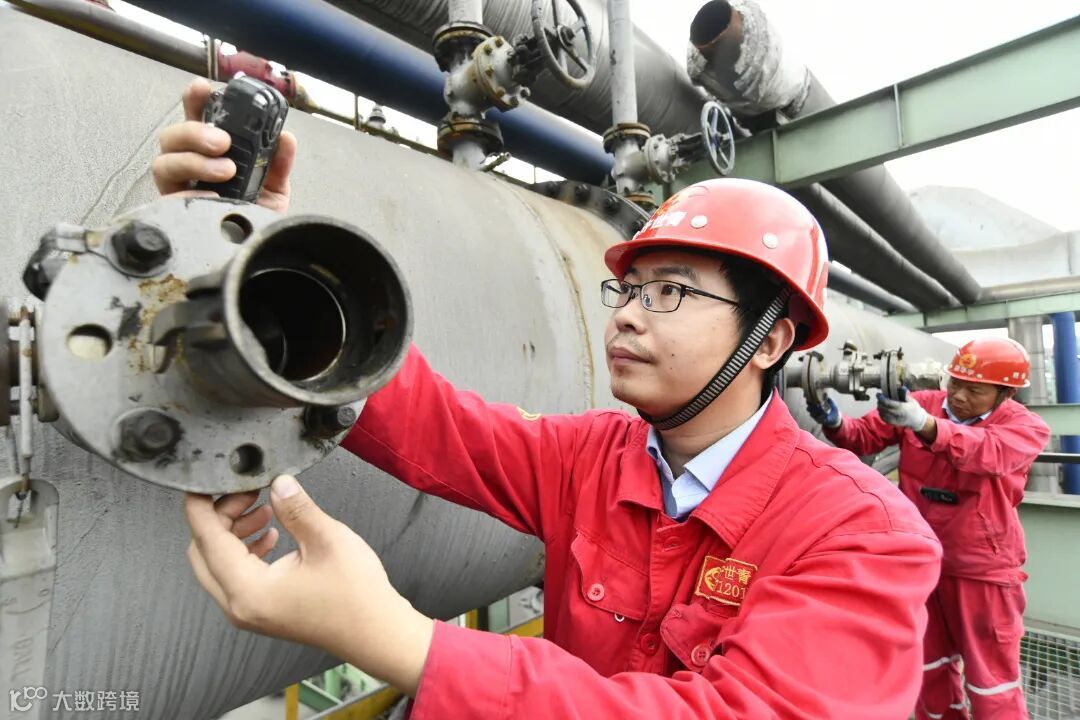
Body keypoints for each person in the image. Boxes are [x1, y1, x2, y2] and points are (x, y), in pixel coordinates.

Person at [159, 78, 941, 718]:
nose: (626, 315)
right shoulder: (592, 458)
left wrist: (404, 642)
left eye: (670, 292)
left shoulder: (864, 535)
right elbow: (435, 427)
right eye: (626, 289)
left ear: (770, 342)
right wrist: (269, 265)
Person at [808, 337, 1050, 719]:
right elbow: (863, 437)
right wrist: (834, 422)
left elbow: (987, 453)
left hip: (980, 569)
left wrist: (925, 425)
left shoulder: (1024, 427)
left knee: (991, 679)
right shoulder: (923, 403)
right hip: (921, 560)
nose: (959, 396)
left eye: (974, 390)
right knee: (928, 664)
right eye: (955, 383)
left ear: (1005, 394)